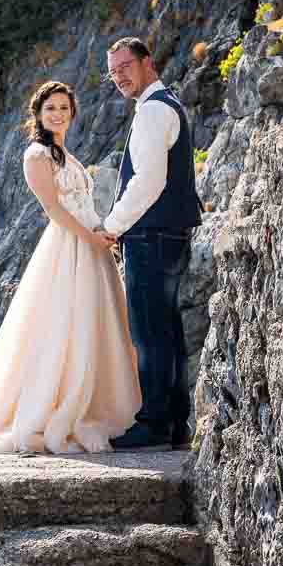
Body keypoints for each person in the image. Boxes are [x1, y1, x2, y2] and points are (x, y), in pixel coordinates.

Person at [0, 80, 141, 563]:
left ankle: (97, 402)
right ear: (38, 113)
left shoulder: (69, 153)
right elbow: (53, 212)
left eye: (65, 108)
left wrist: (101, 238)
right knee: (61, 330)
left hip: (92, 246)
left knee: (100, 329)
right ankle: (58, 406)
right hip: (70, 249)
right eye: (51, 108)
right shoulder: (36, 157)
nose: (59, 114)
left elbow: (83, 206)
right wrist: (93, 240)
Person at [99, 38, 203, 451]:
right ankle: (176, 423)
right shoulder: (166, 105)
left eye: (125, 66)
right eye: (113, 72)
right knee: (167, 331)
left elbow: (148, 182)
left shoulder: (154, 111)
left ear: (148, 63)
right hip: (169, 235)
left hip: (151, 236)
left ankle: (155, 423)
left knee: (149, 334)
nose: (120, 76)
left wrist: (112, 225)